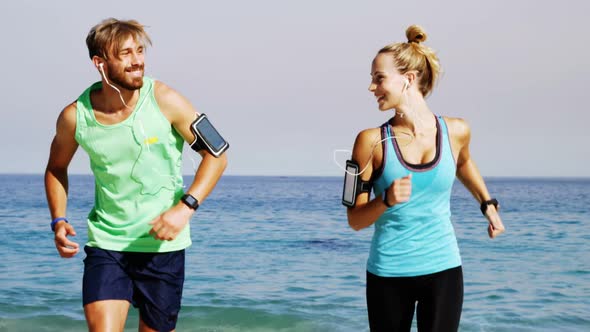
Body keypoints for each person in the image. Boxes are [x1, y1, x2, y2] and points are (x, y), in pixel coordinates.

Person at [44, 18, 228, 332]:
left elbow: (217, 153)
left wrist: (186, 207)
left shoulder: (166, 99)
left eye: (140, 51)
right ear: (100, 63)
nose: (137, 60)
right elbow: (56, 168)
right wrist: (58, 219)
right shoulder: (76, 116)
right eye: (126, 53)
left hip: (162, 250)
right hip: (107, 244)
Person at [345, 25, 505, 332]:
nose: (371, 87)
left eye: (379, 78)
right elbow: (354, 220)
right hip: (388, 274)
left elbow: (464, 162)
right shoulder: (367, 142)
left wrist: (488, 205)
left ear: (408, 79)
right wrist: (386, 200)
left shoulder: (456, 131)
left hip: (443, 270)